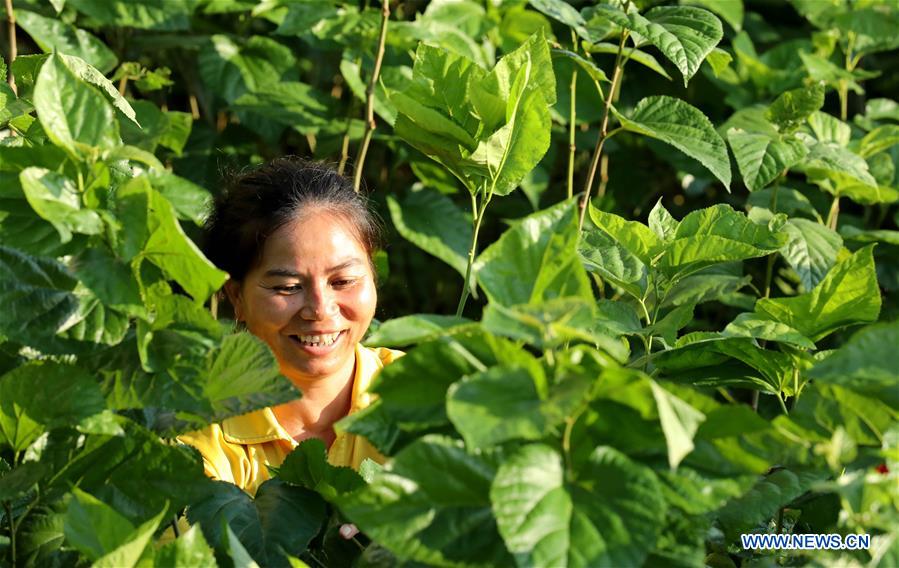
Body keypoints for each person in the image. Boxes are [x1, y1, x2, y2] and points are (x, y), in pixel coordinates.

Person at [179, 158, 401, 496]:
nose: (319, 310)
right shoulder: (193, 427)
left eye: (343, 280)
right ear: (235, 296)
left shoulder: (428, 397)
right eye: (287, 287)